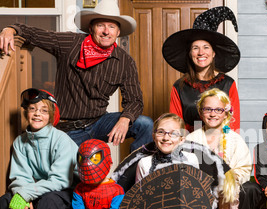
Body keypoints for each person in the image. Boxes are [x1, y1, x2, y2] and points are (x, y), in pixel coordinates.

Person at [0, 0, 153, 152]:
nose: (106, 31)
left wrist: (125, 120)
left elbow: (135, 100)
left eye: (112, 27)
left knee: (145, 124)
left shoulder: (124, 61)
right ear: (91, 28)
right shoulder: (71, 43)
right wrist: (11, 29)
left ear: (118, 32)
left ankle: (135, 171)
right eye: (101, 25)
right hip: (68, 128)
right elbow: (37, 35)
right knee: (76, 173)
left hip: (100, 122)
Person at [0, 88, 78, 209]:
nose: (37, 114)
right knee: (5, 201)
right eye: (32, 109)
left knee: (48, 201)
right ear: (26, 112)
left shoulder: (61, 140)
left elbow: (60, 179)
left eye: (43, 110)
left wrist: (25, 194)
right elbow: (19, 176)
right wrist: (20, 195)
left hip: (64, 193)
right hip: (34, 190)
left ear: (51, 115)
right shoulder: (20, 142)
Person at [186, 88, 251, 209]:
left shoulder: (234, 139)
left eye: (218, 110)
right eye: (208, 109)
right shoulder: (192, 138)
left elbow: (244, 166)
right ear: (201, 112)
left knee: (224, 179)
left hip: (224, 186)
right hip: (200, 182)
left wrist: (232, 176)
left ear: (226, 113)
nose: (213, 114)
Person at [162, 6, 241, 133]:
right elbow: (175, 124)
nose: (201, 53)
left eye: (206, 47)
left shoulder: (228, 84)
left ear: (213, 53)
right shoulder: (179, 87)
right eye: (195, 48)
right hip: (189, 144)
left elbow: (233, 123)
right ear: (189, 53)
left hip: (220, 143)